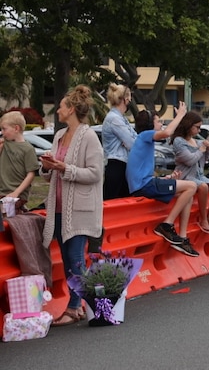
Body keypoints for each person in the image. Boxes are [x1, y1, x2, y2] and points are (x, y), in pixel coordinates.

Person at [38, 85, 104, 327]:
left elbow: (96, 174)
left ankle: (80, 306)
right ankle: (76, 307)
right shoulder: (58, 136)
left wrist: (64, 168)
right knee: (67, 260)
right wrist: (47, 166)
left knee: (75, 258)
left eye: (62, 106)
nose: (58, 110)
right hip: (58, 208)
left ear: (72, 109)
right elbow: (51, 174)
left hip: (80, 210)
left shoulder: (89, 137)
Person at [127, 104, 199, 257]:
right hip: (144, 186)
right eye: (158, 121)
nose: (161, 124)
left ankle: (183, 237)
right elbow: (167, 133)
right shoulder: (146, 134)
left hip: (146, 183)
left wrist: (165, 179)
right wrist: (180, 115)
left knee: (187, 195)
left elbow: (142, 172)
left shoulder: (144, 140)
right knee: (191, 186)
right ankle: (167, 225)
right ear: (150, 124)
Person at [172, 111, 209, 234]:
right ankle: (203, 219)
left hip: (198, 175)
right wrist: (201, 149)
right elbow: (189, 160)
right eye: (197, 127)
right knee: (203, 187)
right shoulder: (179, 141)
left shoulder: (196, 141)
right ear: (189, 125)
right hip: (186, 176)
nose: (199, 130)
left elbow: (204, 160)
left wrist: (208, 149)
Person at [101, 83, 136, 200]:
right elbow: (132, 143)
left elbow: (133, 139)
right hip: (116, 164)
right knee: (111, 202)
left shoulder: (121, 118)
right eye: (130, 97)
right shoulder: (114, 119)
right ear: (125, 99)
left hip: (123, 164)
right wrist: (128, 141)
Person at [0, 111, 40, 212]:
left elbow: (31, 174)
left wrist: (17, 192)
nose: (2, 132)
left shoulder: (28, 149)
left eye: (4, 129)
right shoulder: (4, 144)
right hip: (2, 191)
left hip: (17, 194)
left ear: (16, 128)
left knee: (7, 216)